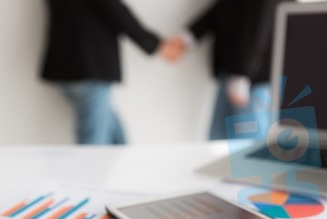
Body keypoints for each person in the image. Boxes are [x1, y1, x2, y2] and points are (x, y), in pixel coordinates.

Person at [41, 0, 177, 145]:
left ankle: (125, 168)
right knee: (92, 148)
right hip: (90, 66)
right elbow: (115, 11)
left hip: (65, 65)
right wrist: (154, 44)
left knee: (117, 141)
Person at [165, 0, 291, 140]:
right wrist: (186, 38)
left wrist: (242, 74)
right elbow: (224, 8)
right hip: (233, 73)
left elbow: (259, 23)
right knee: (218, 141)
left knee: (249, 143)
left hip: (251, 79)